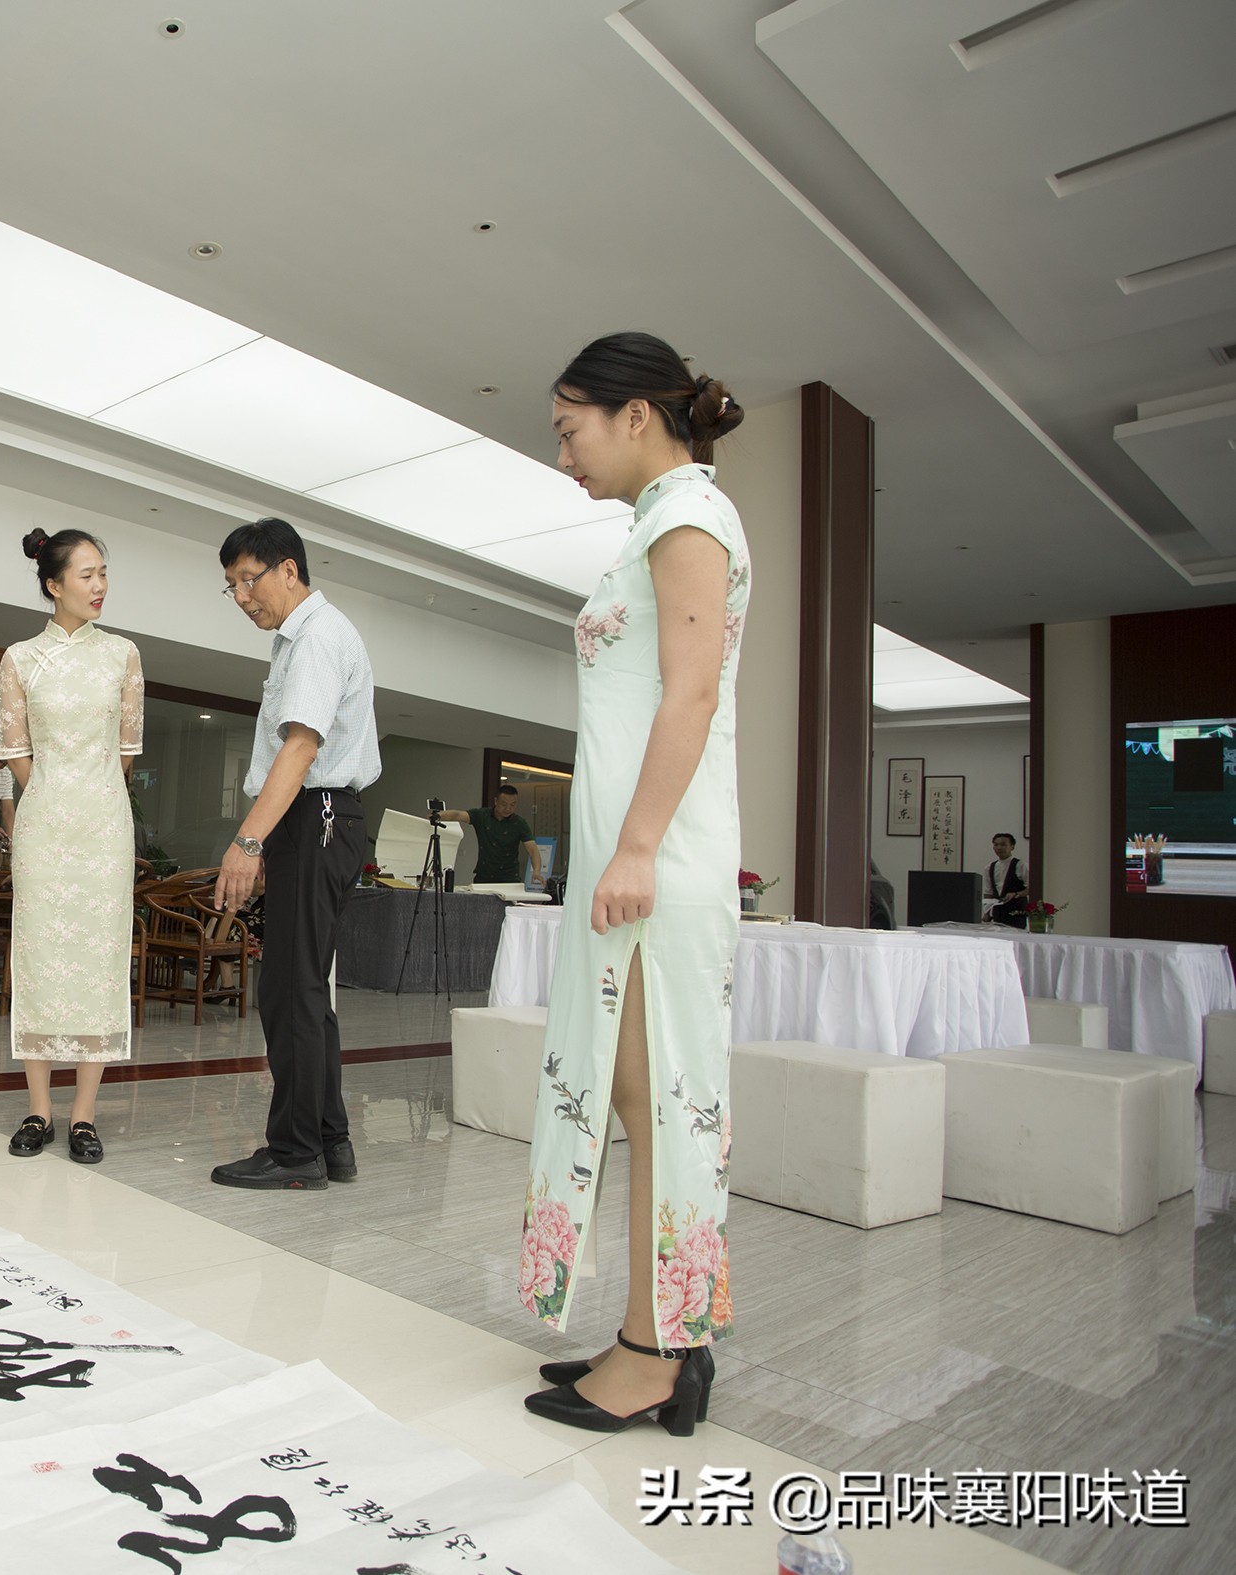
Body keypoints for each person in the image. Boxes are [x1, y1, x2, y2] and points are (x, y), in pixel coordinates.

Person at [518, 331, 749, 1438]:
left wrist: (640, 845)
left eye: (571, 430)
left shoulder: (688, 518)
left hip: (661, 864)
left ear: (636, 416)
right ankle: (660, 1325)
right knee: (631, 1091)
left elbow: (690, 695)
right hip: (635, 861)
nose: (564, 455)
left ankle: (661, 1354)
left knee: (658, 1099)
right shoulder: (657, 525)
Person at [208, 517, 380, 1191]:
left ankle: (296, 1149)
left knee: (289, 988)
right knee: (303, 988)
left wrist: (247, 840)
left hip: (318, 815)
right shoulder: (303, 638)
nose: (243, 596)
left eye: (249, 580)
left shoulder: (315, 636)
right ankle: (329, 1140)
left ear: (288, 569)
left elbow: (301, 748)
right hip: (317, 819)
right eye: (231, 587)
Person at [0, 528, 143, 1165]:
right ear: (54, 584)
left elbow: (126, 755)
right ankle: (39, 1109)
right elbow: (16, 753)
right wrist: (53, 798)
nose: (99, 586)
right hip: (44, 825)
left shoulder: (124, 656)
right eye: (86, 574)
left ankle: (84, 1115)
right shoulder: (20, 658)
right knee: (36, 953)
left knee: (99, 958)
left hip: (106, 828)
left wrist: (90, 800)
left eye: (104, 572)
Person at [442, 783, 545, 887]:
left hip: (509, 878)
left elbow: (533, 850)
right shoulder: (482, 816)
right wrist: (438, 815)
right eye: (504, 804)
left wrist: (536, 871)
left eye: (512, 805)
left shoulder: (519, 823)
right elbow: (458, 815)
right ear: (496, 801)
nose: (508, 809)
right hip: (484, 876)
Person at [984, 832, 1029, 928]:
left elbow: (1031, 888)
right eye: (996, 844)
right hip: (997, 913)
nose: (999, 847)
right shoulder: (989, 867)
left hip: (1016, 913)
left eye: (1003, 845)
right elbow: (988, 892)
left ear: (1012, 847)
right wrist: (986, 912)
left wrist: (1016, 894)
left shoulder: (1020, 865)